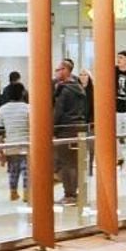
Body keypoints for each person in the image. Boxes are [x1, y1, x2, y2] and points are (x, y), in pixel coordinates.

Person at [52, 60, 88, 205]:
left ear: (66, 70)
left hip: (66, 130)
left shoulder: (65, 90)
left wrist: (53, 129)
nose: (56, 72)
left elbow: (58, 112)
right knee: (74, 163)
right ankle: (74, 192)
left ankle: (70, 195)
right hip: (80, 128)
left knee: (66, 163)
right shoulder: (80, 89)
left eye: (58, 69)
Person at [0, 87, 29, 201]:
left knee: (13, 171)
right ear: (22, 94)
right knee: (27, 171)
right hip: (27, 144)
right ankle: (27, 193)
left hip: (10, 145)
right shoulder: (28, 108)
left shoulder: (2, 109)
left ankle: (13, 192)